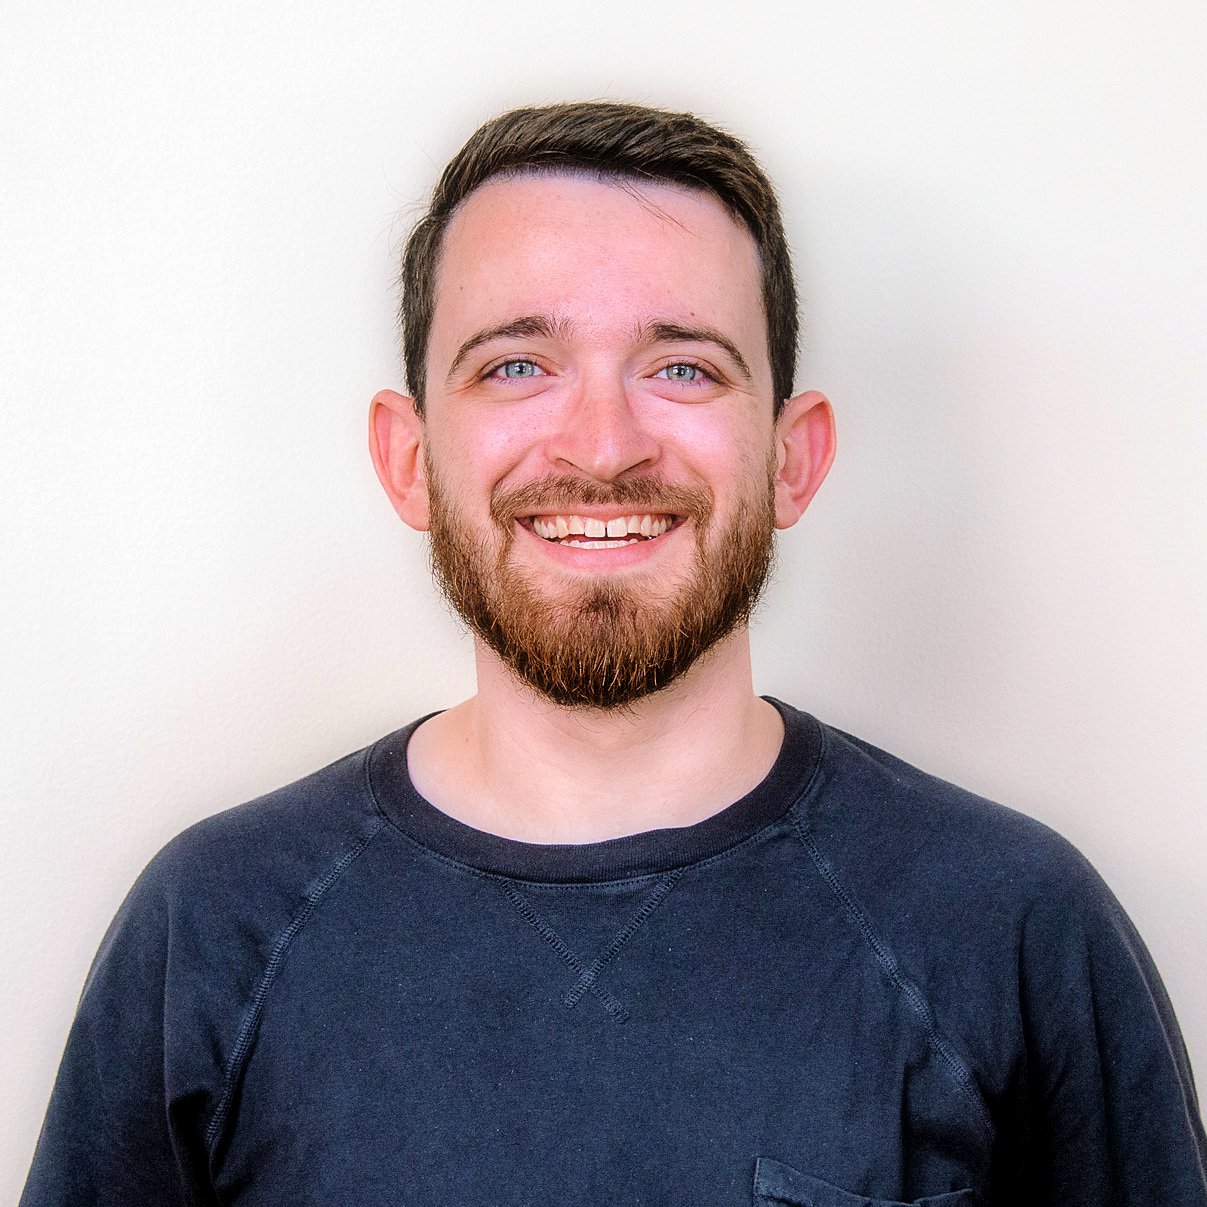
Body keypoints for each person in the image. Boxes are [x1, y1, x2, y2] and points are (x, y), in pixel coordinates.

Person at [20, 101, 1206, 1207]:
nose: (602, 446)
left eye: (682, 365)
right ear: (409, 460)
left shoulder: (1012, 926)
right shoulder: (211, 927)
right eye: (515, 365)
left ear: (791, 459)